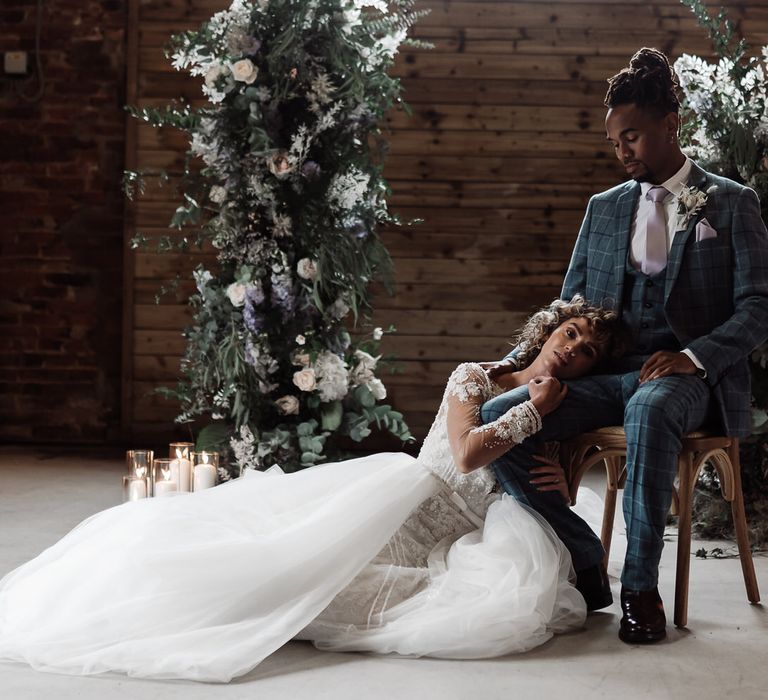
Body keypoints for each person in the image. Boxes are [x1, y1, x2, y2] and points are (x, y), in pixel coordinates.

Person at [0, 297, 624, 682]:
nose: (575, 350)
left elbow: (528, 484)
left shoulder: (564, 412)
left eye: (590, 351)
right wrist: (530, 413)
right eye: (570, 334)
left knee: (454, 601)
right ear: (548, 330)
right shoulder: (478, 377)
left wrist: (561, 487)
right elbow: (464, 455)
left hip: (470, 534)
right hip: (405, 506)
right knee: (290, 573)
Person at [483, 48, 768, 645]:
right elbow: (568, 310)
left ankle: (640, 590)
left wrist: (692, 358)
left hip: (689, 383)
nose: (623, 153)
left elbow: (759, 308)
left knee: (651, 405)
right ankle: (585, 554)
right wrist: (526, 366)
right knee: (496, 420)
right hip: (606, 375)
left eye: (633, 137)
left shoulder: (731, 204)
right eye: (616, 143)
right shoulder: (604, 210)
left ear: (671, 126)